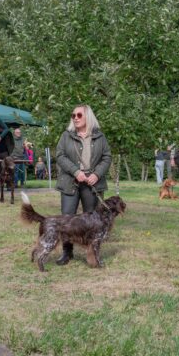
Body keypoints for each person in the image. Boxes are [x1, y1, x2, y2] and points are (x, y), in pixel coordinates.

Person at [55, 104, 112, 265]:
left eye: (79, 115)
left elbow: (107, 157)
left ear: (88, 117)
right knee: (67, 219)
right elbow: (60, 155)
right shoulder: (66, 135)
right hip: (70, 181)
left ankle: (93, 255)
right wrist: (75, 171)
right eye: (73, 115)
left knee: (93, 220)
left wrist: (97, 174)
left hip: (92, 182)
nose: (75, 118)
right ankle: (67, 253)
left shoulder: (99, 136)